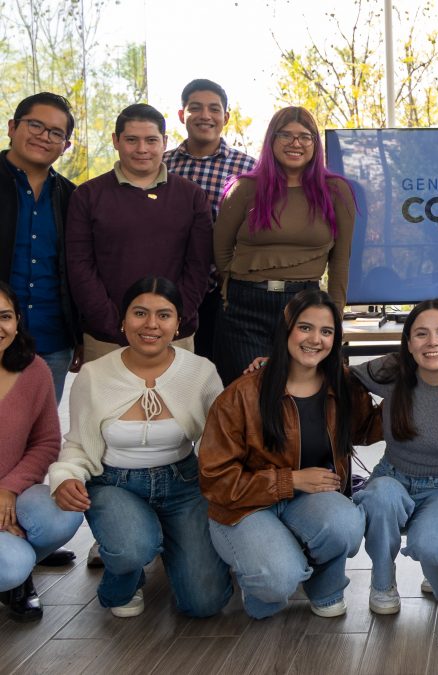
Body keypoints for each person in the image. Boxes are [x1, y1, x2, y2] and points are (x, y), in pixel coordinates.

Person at [49, 277, 231, 618]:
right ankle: (124, 575)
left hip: (183, 484)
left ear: (178, 324)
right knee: (132, 548)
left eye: (164, 315)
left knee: (205, 603)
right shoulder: (94, 375)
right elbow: (78, 444)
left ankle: (162, 541)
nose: (151, 324)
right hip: (114, 483)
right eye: (140, 313)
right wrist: (66, 477)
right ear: (123, 320)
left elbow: (220, 441)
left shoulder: (201, 372)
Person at [199, 289, 379, 619]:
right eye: (305, 327)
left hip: (307, 502)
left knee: (346, 525)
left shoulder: (342, 385)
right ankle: (268, 579)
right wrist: (290, 480)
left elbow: (370, 426)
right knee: (279, 579)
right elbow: (216, 481)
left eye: (326, 331)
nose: (315, 339)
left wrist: (415, 382)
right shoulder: (242, 394)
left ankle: (323, 586)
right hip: (244, 508)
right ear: (286, 329)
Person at [352, 299, 438, 614]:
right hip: (391, 476)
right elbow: (332, 372)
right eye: (421, 334)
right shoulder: (392, 370)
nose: (432, 342)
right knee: (379, 497)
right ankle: (382, 581)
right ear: (409, 343)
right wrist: (273, 366)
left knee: (434, 555)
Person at [213, 106, 355, 385]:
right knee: (248, 393)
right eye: (285, 135)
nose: (295, 143)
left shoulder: (336, 191)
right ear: (271, 140)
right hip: (244, 309)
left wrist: (334, 318)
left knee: (298, 393)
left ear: (315, 143)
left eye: (305, 136)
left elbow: (340, 261)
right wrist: (238, 288)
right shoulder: (244, 188)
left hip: (305, 305)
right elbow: (221, 251)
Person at [66, 104, 212, 363]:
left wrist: (171, 320)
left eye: (151, 140)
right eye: (132, 140)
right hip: (107, 339)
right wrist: (116, 325)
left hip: (175, 337)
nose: (142, 149)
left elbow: (198, 268)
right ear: (116, 141)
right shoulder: (87, 195)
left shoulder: (192, 196)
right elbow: (80, 267)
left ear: (164, 142)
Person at [0, 281, 83, 621]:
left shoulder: (34, 370)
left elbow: (46, 442)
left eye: (4, 316)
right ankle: (17, 572)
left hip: (14, 493)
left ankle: (21, 567)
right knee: (11, 565)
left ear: (18, 320)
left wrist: (8, 490)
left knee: (64, 511)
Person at [164, 78, 256, 361]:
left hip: (224, 293)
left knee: (222, 374)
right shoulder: (162, 165)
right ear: (182, 115)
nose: (205, 116)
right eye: (196, 108)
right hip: (168, 289)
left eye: (214, 109)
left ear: (226, 117)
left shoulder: (249, 169)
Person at [1, 92, 81, 405]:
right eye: (35, 125)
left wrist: (78, 335)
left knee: (42, 429)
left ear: (66, 145)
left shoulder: (72, 198)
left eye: (56, 133)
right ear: (12, 127)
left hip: (53, 342)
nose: (44, 137)